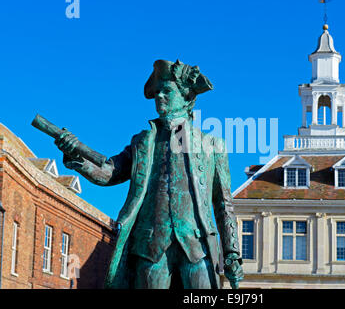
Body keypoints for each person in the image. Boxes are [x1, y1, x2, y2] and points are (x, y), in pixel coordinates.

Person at [55, 59, 243, 289]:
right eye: (156, 92)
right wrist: (76, 154)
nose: (159, 97)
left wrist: (231, 251)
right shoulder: (143, 142)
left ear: (186, 97)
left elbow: (223, 203)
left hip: (197, 247)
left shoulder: (213, 146)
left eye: (167, 91)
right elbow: (109, 173)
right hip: (151, 246)